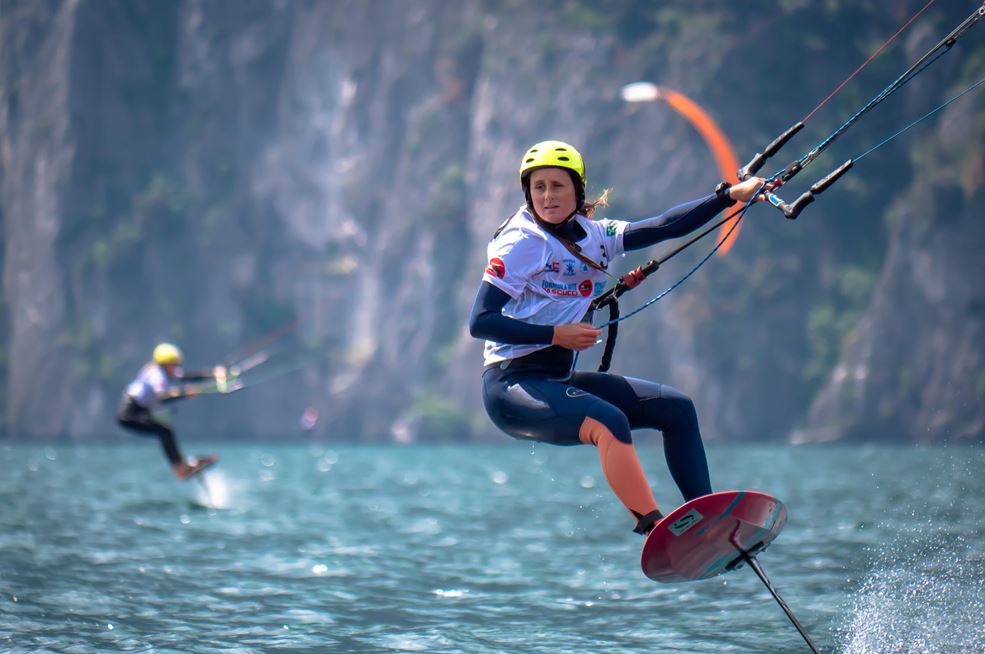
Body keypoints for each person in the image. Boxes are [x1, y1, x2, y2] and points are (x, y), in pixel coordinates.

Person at [469, 140, 766, 536]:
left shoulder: (596, 236)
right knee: (607, 420)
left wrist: (729, 196)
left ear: (578, 190)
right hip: (511, 387)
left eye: (557, 185)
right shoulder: (523, 242)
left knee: (675, 408)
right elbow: (481, 321)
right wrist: (556, 333)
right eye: (538, 187)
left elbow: (663, 225)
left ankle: (707, 516)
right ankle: (655, 526)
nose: (547, 196)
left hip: (555, 381)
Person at [116, 343, 228, 480]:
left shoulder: (167, 372)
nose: (176, 368)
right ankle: (180, 468)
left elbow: (189, 376)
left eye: (176, 364)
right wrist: (184, 394)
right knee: (165, 431)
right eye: (173, 365)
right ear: (163, 364)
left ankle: (181, 466)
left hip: (141, 411)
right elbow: (162, 397)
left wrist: (213, 373)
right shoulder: (156, 374)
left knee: (165, 431)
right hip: (129, 414)